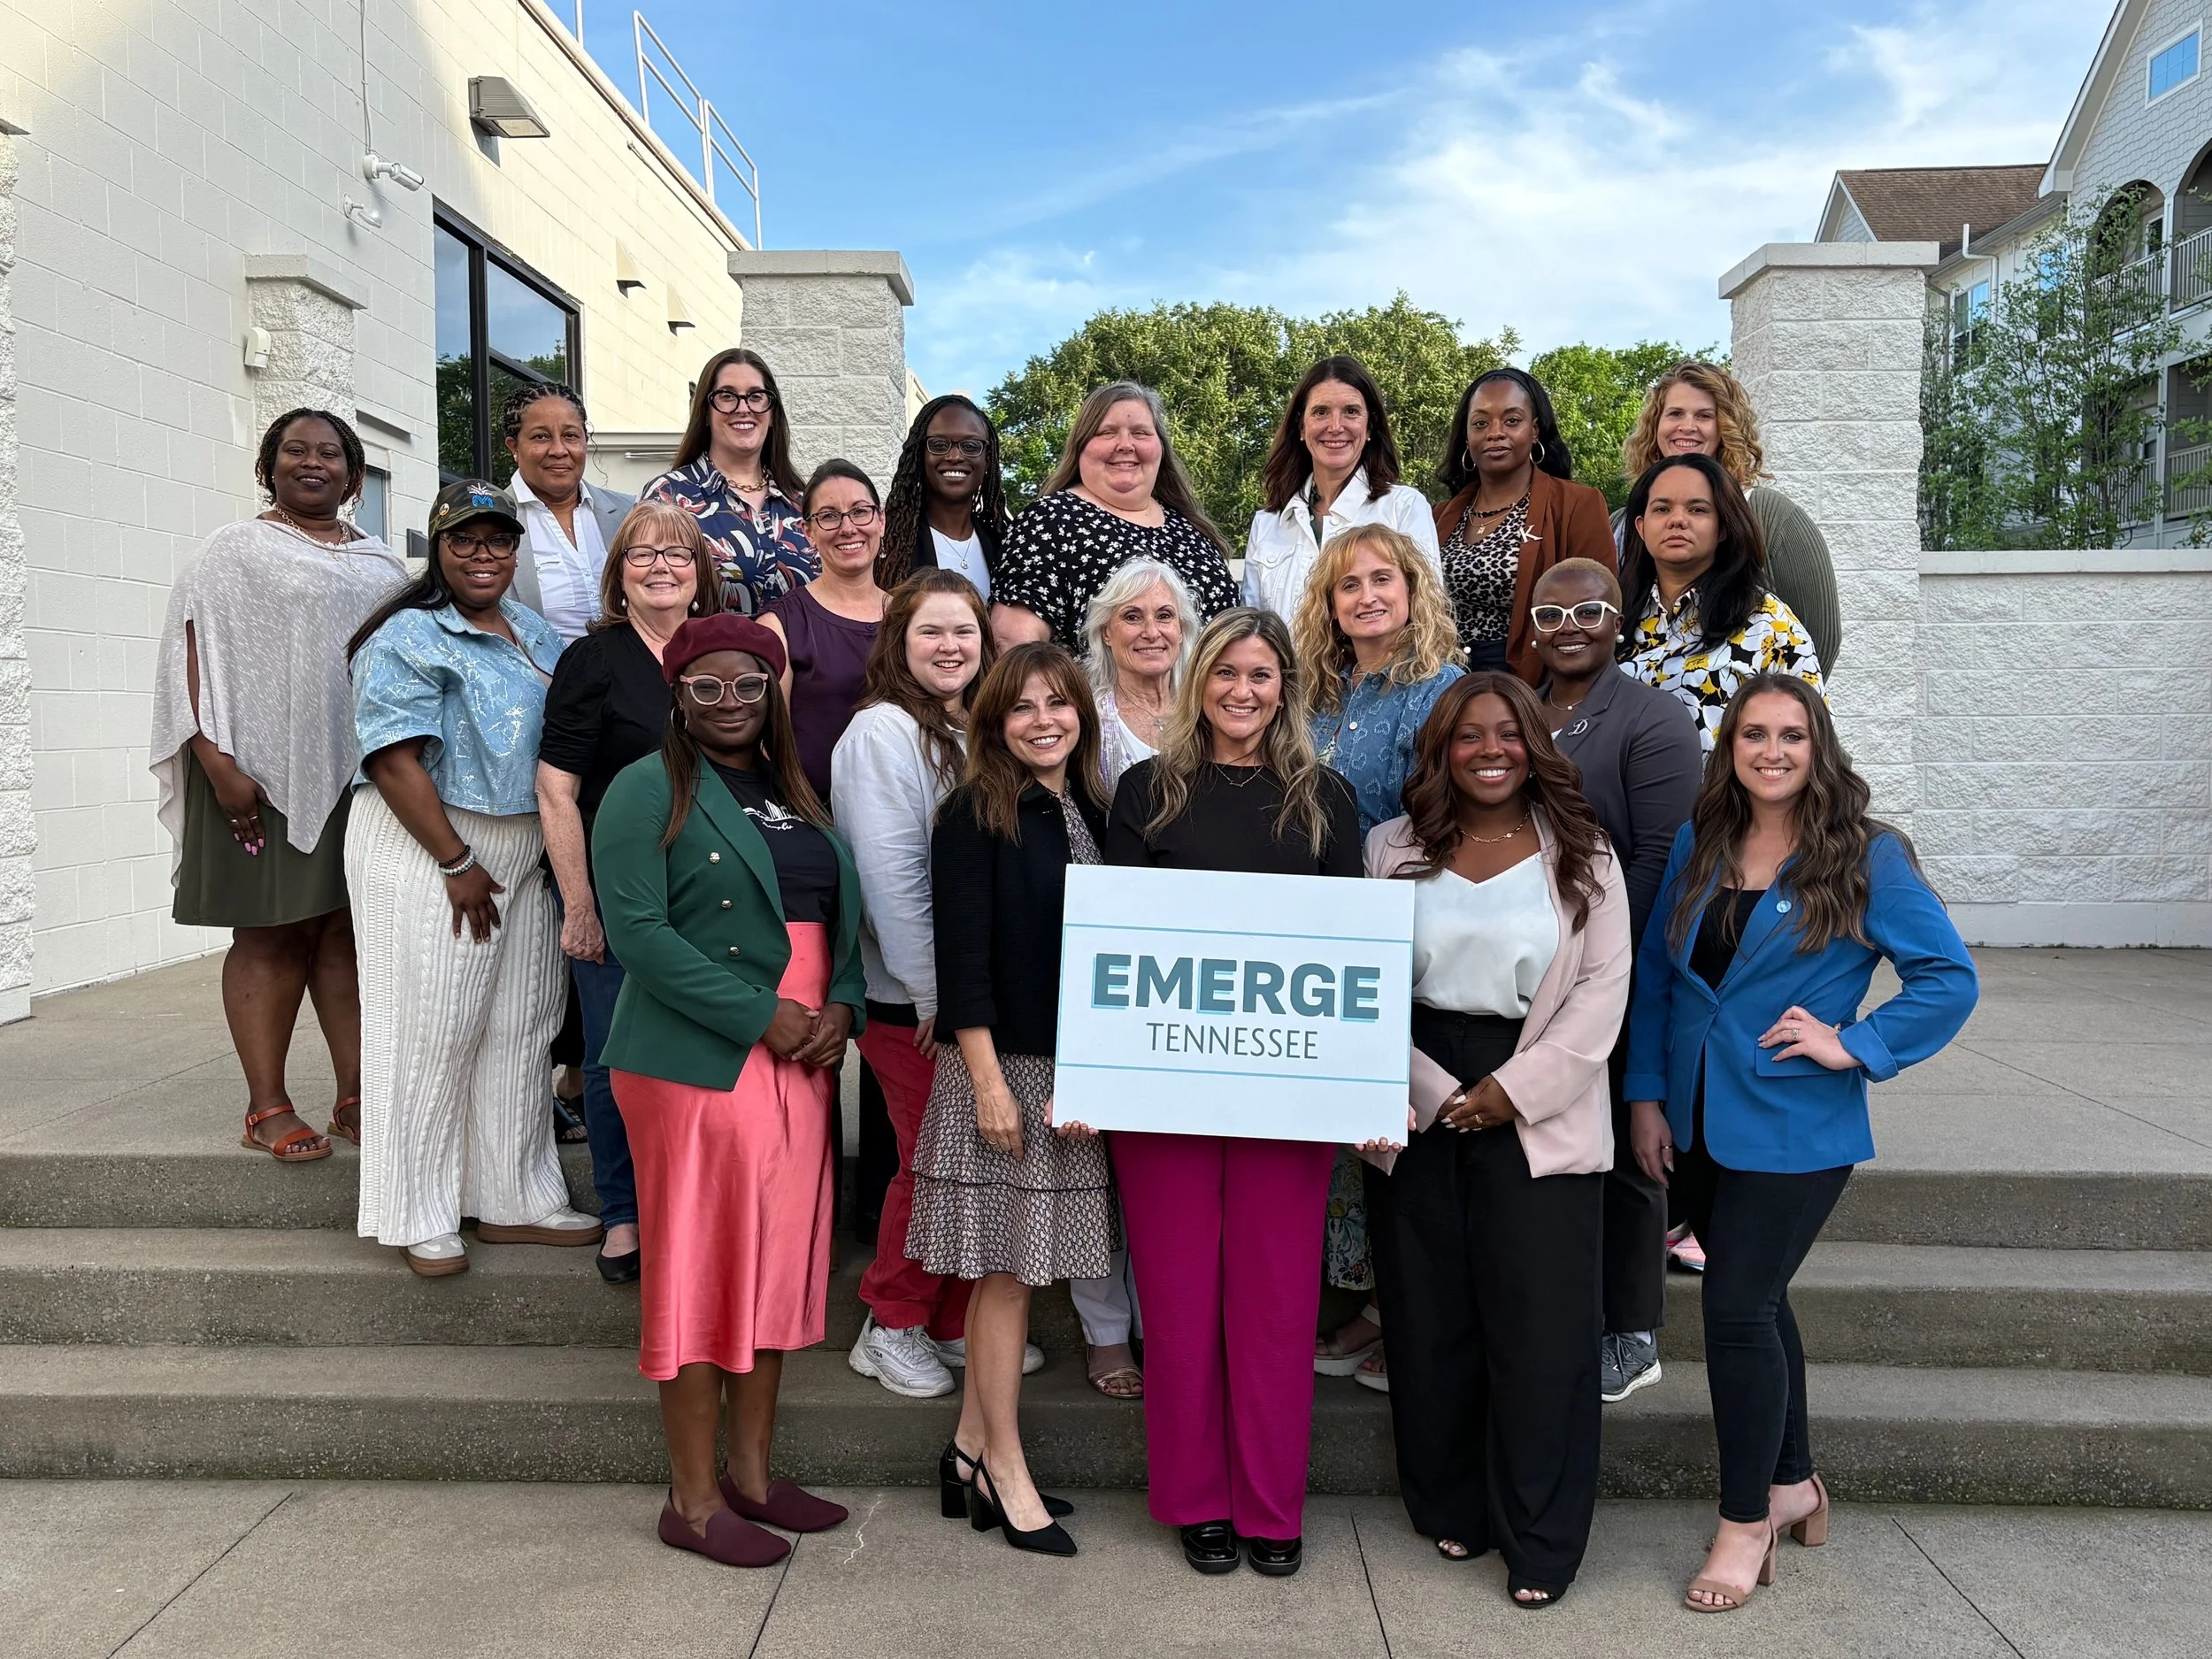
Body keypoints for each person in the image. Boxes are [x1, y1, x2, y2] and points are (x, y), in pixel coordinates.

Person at [1626, 674, 1977, 1612]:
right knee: (1760, 1297)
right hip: (1697, 1116)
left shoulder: (1865, 855)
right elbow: (1659, 980)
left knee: (1735, 1307)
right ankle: (1795, 1484)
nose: (1771, 752)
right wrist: (1647, 1098)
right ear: (1729, 748)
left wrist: (1854, 1043)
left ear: (1817, 746)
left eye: (1790, 735)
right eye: (1752, 735)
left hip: (1796, 1122)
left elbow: (1947, 978)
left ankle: (1745, 1523)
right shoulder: (1703, 843)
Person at [593, 613, 861, 1568]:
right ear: (677, 694)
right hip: (696, 1057)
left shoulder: (796, 788)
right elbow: (638, 934)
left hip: (804, 1051)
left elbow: (835, 914)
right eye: (705, 686)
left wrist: (844, 1005)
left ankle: (752, 1478)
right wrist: (763, 1017)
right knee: (703, 1273)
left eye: (747, 683)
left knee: (780, 1267)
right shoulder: (643, 787)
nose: (729, 703)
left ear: (772, 688)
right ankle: (694, 1501)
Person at [1103, 607, 1363, 1578]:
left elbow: (1349, 961)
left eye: (1261, 676)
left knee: (1273, 1305)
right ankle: (1195, 1499)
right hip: (1166, 1090)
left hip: (1284, 1097)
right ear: (1197, 682)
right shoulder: (1146, 792)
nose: (1242, 693)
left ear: (1284, 687)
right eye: (1226, 675)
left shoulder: (1326, 799)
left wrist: (1357, 1093)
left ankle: (1268, 1503)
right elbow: (1118, 946)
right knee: (1175, 1301)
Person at [1363, 672, 1632, 1608]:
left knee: (1543, 1333)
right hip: (1416, 1096)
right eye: (1467, 735)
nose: (1488, 749)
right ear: (1439, 748)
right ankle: (1451, 1505)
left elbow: (1601, 1001)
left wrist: (1509, 1095)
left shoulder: (1586, 856)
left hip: (1541, 1103)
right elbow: (1363, 986)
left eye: (1506, 734)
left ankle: (1543, 1541)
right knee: (1430, 1320)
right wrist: (1437, 1092)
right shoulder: (1387, 849)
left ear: (1533, 747)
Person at [346, 480, 602, 1276]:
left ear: (515, 549)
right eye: (465, 540)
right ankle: (416, 1209)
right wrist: (456, 861)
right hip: (433, 843)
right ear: (439, 548)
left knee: (522, 1025)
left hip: (525, 849)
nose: (483, 554)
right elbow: (393, 759)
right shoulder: (410, 635)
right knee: (434, 1027)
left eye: (497, 540)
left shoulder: (533, 629)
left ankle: (515, 1195)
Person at [150, 409, 406, 1164]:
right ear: (270, 466)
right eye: (295, 450)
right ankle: (267, 1105)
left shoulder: (382, 565)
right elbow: (186, 654)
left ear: (355, 476)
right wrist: (216, 764)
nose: (312, 462)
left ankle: (356, 1093)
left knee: (343, 934)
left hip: (355, 781)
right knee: (269, 934)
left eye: (330, 452)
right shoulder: (232, 550)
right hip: (251, 777)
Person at [912, 642, 1118, 1557]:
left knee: (1020, 1272)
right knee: (1004, 1276)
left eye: (1058, 703)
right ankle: (1005, 1463)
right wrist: (992, 1085)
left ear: (1082, 711)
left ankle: (963, 1450)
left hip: (1071, 1071)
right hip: (1002, 1071)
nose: (1043, 720)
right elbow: (962, 962)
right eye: (1021, 708)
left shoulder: (1094, 810)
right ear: (993, 723)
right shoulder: (973, 811)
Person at [833, 571, 1018, 1399]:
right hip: (910, 1000)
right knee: (932, 1161)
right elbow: (891, 875)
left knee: (967, 1156)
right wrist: (935, 994)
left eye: (965, 632)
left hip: (962, 995)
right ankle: (892, 1321)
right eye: (931, 632)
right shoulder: (880, 732)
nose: (951, 647)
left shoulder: (971, 727)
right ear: (898, 643)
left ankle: (949, 1322)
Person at [1290, 522, 1464, 1392]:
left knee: (1399, 1130)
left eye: (1381, 580)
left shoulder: (1441, 692)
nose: (1365, 596)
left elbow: (1450, 823)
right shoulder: (1312, 694)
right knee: (1346, 1140)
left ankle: (1413, 1317)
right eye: (1346, 584)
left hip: (1403, 935)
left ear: (1411, 589)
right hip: (1315, 941)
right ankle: (1373, 1305)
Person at [1526, 558, 1701, 1402]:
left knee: (1630, 1155)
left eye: (1590, 611)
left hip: (1616, 967)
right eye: (1551, 614)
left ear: (1618, 616)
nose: (1570, 626)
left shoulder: (1653, 719)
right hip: (1531, 971)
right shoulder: (1523, 709)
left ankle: (1633, 1329)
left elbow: (1662, 858)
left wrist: (1596, 960)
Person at [536, 503, 724, 1285]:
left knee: (703, 1056)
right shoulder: (595, 659)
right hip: (617, 898)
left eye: (678, 555)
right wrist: (579, 902)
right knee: (618, 1061)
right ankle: (624, 1213)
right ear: (618, 574)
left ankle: (695, 1208)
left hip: (711, 895)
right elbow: (555, 787)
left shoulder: (722, 652)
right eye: (642, 554)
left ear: (700, 572)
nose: (661, 567)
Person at [1064, 557, 1201, 1397]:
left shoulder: (1208, 706)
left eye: (1166, 616)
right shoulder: (1087, 715)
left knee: (1170, 1151)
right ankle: (1106, 1327)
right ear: (1104, 630)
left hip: (1201, 962)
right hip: (1109, 949)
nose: (1152, 630)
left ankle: (1169, 1317)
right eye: (1133, 617)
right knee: (1102, 1150)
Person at [1619, 361, 1842, 672]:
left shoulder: (1774, 517)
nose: (1687, 426)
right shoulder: (1622, 522)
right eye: (1675, 414)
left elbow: (1820, 640)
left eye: (1704, 416)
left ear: (1726, 426)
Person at [989, 381, 1238, 652]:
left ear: (1160, 447)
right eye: (1107, 433)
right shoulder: (1049, 522)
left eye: (1140, 433)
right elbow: (1015, 644)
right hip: (1090, 694)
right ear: (1081, 446)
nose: (1125, 445)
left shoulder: (1192, 532)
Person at [1617, 454, 1824, 753]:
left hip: (1724, 799)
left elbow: (1812, 739)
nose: (1677, 520)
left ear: (1723, 527)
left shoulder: (1767, 623)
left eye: (1697, 509)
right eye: (1662, 509)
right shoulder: (1613, 615)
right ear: (1640, 526)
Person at [1432, 368, 1615, 677]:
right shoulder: (1438, 517)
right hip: (1443, 682)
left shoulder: (1576, 505)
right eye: (1480, 423)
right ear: (1467, 437)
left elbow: (1598, 613)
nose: (1495, 432)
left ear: (1535, 430)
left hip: (1532, 683)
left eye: (1512, 420)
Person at [1243, 355, 1441, 618]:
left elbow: (1427, 615)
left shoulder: (1404, 508)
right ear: (1301, 427)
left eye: (1351, 411)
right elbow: (1253, 625)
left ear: (1370, 426)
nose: (1335, 427)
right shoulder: (1267, 523)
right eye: (1321, 412)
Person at [642, 348, 817, 616]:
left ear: (772, 414)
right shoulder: (669, 497)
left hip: (804, 658)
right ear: (706, 413)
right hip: (706, 657)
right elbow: (646, 599)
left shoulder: (803, 503)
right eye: (727, 396)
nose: (743, 408)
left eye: (756, 397)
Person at [763, 460, 888, 802]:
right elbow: (768, 746)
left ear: (881, 520)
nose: (848, 528)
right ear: (808, 532)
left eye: (860, 512)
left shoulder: (910, 617)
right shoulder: (781, 625)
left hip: (907, 811)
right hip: (818, 815)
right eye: (829, 516)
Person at [500, 381, 636, 646]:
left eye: (571, 436)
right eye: (541, 437)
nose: (559, 450)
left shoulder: (629, 513)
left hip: (628, 682)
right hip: (542, 683)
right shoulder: (492, 522)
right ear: (513, 447)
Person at [876, 395, 1012, 598]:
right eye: (939, 445)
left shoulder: (1005, 545)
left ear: (988, 458)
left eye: (970, 446)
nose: (955, 456)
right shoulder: (890, 543)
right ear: (920, 455)